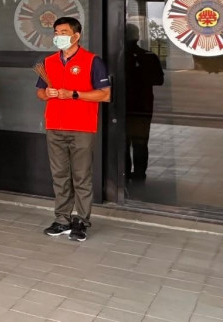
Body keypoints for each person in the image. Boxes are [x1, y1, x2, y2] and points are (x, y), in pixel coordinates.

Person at [36, 17, 111, 242]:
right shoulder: (48, 62)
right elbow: (40, 92)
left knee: (81, 176)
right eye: (56, 32)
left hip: (81, 127)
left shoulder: (92, 61)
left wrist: (74, 94)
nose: (58, 36)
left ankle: (82, 221)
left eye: (64, 32)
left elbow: (105, 94)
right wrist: (46, 94)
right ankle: (62, 219)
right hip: (54, 126)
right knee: (59, 176)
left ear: (76, 36)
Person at [124, 23, 163, 181]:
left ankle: (124, 173)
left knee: (123, 143)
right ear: (138, 36)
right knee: (140, 142)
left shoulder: (116, 57)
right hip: (143, 107)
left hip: (124, 107)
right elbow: (159, 80)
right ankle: (139, 174)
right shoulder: (149, 56)